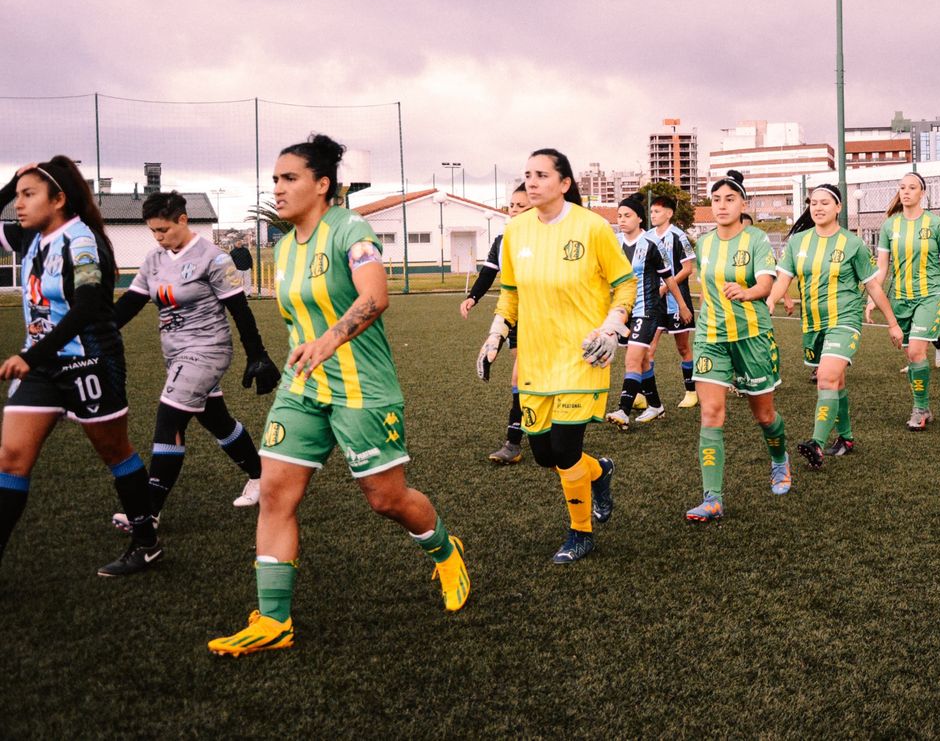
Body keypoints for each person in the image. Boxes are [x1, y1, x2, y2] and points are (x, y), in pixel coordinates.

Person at [210, 134, 470, 657]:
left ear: (322, 184)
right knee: (276, 495)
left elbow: (376, 295)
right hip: (301, 389)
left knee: (386, 500)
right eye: (276, 179)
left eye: (290, 179)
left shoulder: (350, 230)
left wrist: (330, 339)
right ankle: (274, 620)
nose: (278, 189)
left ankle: (445, 550)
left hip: (361, 391)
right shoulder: (281, 249)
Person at [0, 158, 161, 578]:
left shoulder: (81, 241)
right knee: (11, 459)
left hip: (88, 360)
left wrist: (31, 355)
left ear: (58, 199)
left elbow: (89, 306)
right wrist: (14, 180)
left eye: (29, 195)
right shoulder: (31, 238)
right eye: (17, 197)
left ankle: (146, 544)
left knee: (115, 452)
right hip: (40, 368)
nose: (18, 204)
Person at [476, 148, 634, 562]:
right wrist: (496, 333)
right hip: (535, 360)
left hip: (583, 356)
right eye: (527, 173)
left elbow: (624, 284)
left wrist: (612, 327)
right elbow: (510, 291)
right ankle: (599, 471)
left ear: (564, 183)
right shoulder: (516, 231)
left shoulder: (593, 228)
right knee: (545, 454)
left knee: (565, 450)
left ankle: (579, 533)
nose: (531, 181)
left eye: (542, 174)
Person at [109, 191, 280, 533]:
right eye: (152, 231)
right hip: (175, 354)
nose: (158, 238)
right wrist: (92, 333)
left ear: (183, 220)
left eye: (163, 230)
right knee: (216, 420)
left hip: (208, 350)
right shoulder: (155, 259)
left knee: (169, 417)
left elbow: (240, 311)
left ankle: (148, 512)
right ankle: (263, 477)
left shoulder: (213, 259)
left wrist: (257, 354)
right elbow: (131, 303)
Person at [764, 185, 902, 469]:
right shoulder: (798, 242)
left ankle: (816, 443)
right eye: (813, 203)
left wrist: (892, 323)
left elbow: (872, 285)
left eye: (825, 203)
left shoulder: (852, 244)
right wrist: (770, 301)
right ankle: (847, 437)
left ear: (838, 207)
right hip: (813, 323)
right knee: (836, 383)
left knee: (826, 378)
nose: (818, 207)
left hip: (845, 320)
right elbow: (782, 279)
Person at [684, 171, 789, 521]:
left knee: (764, 415)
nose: (722, 205)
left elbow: (765, 283)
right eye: (716, 200)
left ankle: (779, 460)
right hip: (711, 338)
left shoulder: (757, 240)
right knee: (711, 413)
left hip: (752, 336)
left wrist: (747, 292)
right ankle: (712, 498)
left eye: (730, 199)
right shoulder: (704, 243)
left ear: (743, 204)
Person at [868, 172, 940, 430]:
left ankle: (920, 410)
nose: (906, 192)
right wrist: (872, 298)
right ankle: (923, 404)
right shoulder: (890, 225)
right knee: (912, 358)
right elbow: (882, 266)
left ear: (922, 192)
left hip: (930, 295)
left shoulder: (936, 224)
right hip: (900, 298)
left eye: (912, 187)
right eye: (902, 187)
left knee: (916, 352)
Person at [460, 184, 531, 464]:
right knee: (524, 377)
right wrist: (473, 297)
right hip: (517, 315)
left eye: (520, 205)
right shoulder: (503, 241)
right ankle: (526, 435)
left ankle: (514, 441)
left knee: (522, 376)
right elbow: (489, 273)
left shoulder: (549, 238)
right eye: (511, 205)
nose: (513, 210)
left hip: (549, 318)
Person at [606, 194, 687, 430]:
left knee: (633, 359)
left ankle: (623, 410)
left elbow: (669, 277)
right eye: (619, 216)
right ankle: (656, 406)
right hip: (625, 311)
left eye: (627, 215)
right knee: (641, 362)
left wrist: (681, 305)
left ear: (640, 219)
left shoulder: (652, 244)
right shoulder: (615, 243)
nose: (622, 220)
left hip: (648, 310)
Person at [646, 194, 698, 418]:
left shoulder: (679, 236)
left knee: (683, 348)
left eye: (657, 211)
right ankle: (642, 394)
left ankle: (691, 391)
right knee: (647, 347)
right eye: (651, 211)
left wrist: (666, 287)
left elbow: (688, 269)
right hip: (653, 302)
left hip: (677, 301)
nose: (653, 215)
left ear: (669, 213)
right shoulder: (646, 237)